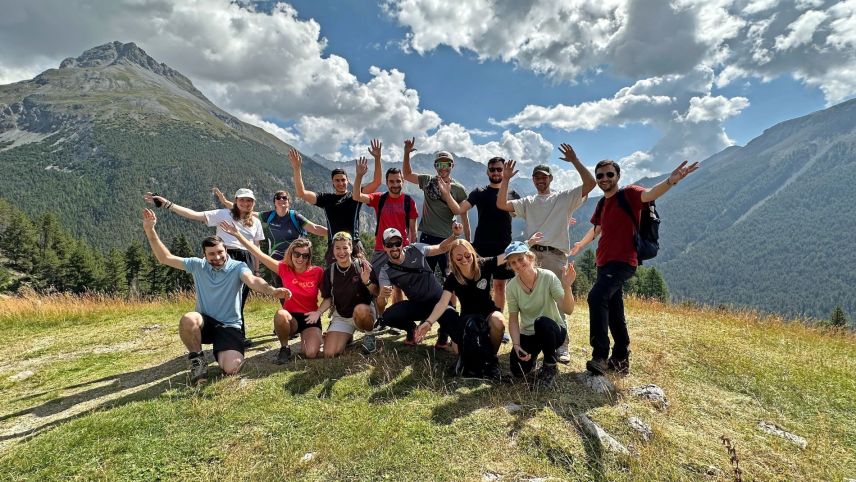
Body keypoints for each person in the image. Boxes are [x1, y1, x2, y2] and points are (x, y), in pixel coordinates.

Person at [141, 209, 289, 384]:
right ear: (204, 255)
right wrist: (150, 230)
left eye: (220, 252)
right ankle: (197, 359)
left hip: (229, 325)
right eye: (211, 254)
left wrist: (271, 290)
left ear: (225, 250)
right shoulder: (198, 265)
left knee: (231, 368)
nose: (217, 257)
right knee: (189, 319)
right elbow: (165, 258)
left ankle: (224, 351)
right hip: (205, 323)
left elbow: (253, 281)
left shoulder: (238, 266)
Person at [579, 159, 698, 376]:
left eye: (609, 174)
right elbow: (597, 229)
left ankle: (600, 356)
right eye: (600, 176)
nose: (604, 179)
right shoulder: (602, 204)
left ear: (618, 176)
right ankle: (621, 358)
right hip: (603, 262)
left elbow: (650, 194)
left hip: (623, 261)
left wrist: (671, 181)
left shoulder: (630, 194)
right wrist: (578, 245)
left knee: (596, 298)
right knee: (614, 310)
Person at [496, 143, 596, 364]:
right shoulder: (528, 202)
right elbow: (501, 204)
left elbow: (590, 183)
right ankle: (527, 338)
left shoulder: (564, 198)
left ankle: (562, 345)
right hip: (529, 255)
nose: (540, 181)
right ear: (533, 180)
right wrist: (506, 179)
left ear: (550, 179)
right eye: (537, 178)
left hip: (555, 254)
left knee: (557, 298)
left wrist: (575, 161)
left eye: (544, 177)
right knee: (526, 295)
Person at [144, 188, 265, 344]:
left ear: (253, 203)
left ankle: (237, 335)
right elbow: (194, 215)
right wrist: (168, 204)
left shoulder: (256, 222)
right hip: (222, 255)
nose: (245, 203)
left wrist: (256, 269)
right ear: (235, 201)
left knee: (239, 299)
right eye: (242, 200)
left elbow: (256, 247)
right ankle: (215, 330)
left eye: (249, 200)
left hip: (246, 258)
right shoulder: (223, 213)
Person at [219, 222, 324, 364]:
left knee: (311, 353)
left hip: (310, 318)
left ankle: (314, 338)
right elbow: (258, 254)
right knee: (280, 315)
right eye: (297, 254)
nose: (300, 258)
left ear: (309, 257)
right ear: (291, 253)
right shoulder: (283, 268)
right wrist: (237, 234)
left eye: (305, 256)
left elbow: (328, 295)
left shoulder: (317, 272)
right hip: (290, 317)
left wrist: (320, 313)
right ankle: (285, 347)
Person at [402, 138, 470, 347]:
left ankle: (445, 331)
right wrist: (407, 153)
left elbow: (464, 215)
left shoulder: (458, 189)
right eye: (439, 164)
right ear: (435, 166)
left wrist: (467, 240)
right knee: (424, 282)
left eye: (446, 164)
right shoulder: (427, 181)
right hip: (427, 239)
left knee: (451, 282)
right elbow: (407, 175)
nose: (443, 168)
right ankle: (422, 325)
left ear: (451, 166)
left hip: (448, 241)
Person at [437, 156, 519, 311]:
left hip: (504, 248)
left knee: (500, 287)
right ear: (487, 171)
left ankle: (497, 323)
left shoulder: (512, 194)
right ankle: (474, 319)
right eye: (492, 169)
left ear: (504, 171)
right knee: (476, 286)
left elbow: (528, 211)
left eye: (499, 169)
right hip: (481, 247)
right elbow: (459, 210)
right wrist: (447, 195)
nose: (496, 172)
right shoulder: (479, 192)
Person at [372, 224, 464, 349]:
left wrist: (455, 235)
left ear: (402, 243)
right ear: (384, 247)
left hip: (438, 302)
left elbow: (441, 248)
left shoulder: (416, 249)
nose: (394, 248)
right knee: (388, 317)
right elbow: (382, 302)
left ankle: (443, 335)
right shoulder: (386, 270)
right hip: (417, 305)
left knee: (454, 322)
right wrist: (382, 295)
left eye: (397, 243)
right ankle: (411, 329)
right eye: (389, 245)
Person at [290, 143, 382, 264]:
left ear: (347, 181)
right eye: (337, 180)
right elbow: (301, 193)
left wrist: (377, 158)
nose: (340, 183)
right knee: (334, 280)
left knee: (362, 279)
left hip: (354, 245)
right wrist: (297, 168)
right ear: (332, 183)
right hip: (334, 247)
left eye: (343, 180)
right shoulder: (326, 198)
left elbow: (376, 182)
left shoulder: (355, 195)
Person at [503, 241, 578, 388]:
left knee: (542, 322)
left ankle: (550, 364)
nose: (518, 265)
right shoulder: (511, 287)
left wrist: (567, 286)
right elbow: (513, 319)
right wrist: (517, 345)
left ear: (530, 257)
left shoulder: (548, 277)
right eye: (513, 263)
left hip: (553, 330)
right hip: (530, 333)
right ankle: (533, 357)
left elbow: (568, 310)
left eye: (520, 259)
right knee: (518, 371)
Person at [309, 231, 379, 357]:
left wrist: (367, 282)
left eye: (345, 247)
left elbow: (377, 292)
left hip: (364, 314)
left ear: (351, 248)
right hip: (342, 317)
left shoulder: (362, 265)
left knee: (360, 309)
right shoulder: (330, 272)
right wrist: (318, 312)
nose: (341, 252)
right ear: (333, 250)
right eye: (338, 248)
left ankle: (369, 335)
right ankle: (347, 336)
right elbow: (328, 298)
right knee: (329, 353)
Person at [213, 187, 327, 261]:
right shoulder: (270, 216)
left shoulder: (295, 217)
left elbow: (315, 228)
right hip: (276, 260)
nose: (281, 199)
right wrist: (224, 202)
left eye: (285, 198)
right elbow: (245, 210)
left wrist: (334, 232)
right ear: (274, 202)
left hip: (297, 259)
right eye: (278, 197)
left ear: (289, 202)